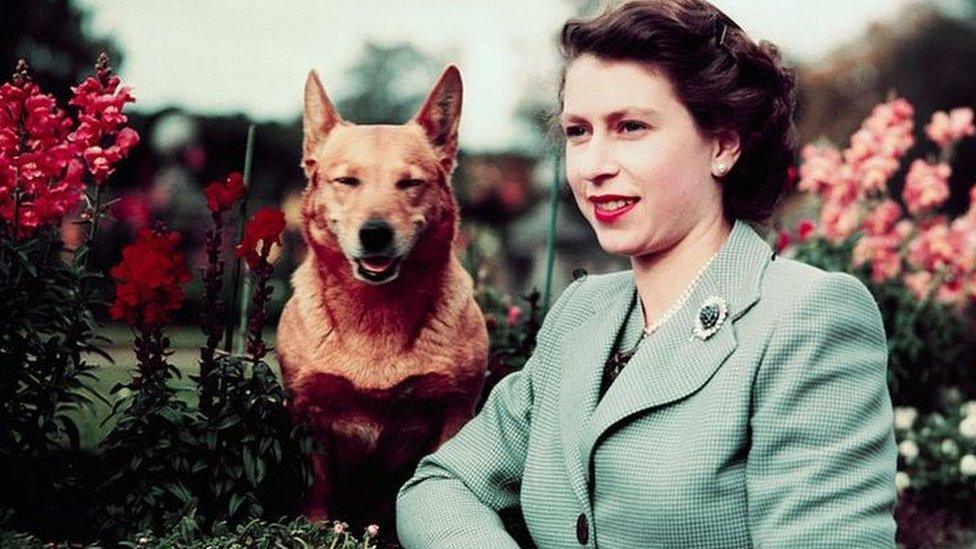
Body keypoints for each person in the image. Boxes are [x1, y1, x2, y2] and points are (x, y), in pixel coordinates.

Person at [396, 1, 897, 547]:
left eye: (630, 126)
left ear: (724, 144)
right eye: (579, 131)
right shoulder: (582, 313)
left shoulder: (808, 318)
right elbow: (441, 486)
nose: (593, 165)